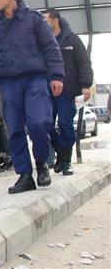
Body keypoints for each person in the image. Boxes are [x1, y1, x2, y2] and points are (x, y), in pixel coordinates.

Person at [0, 0, 64, 194]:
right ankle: (25, 175)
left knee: (38, 124)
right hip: (8, 83)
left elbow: (51, 48)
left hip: (34, 79)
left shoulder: (33, 20)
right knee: (14, 129)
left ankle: (42, 163)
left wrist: (57, 76)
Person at [44, 9, 93, 175]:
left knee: (65, 124)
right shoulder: (41, 41)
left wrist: (85, 85)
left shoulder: (72, 39)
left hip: (68, 91)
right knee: (44, 125)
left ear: (55, 20)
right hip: (47, 92)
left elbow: (84, 63)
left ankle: (66, 162)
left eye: (46, 19)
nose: (43, 23)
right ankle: (61, 152)